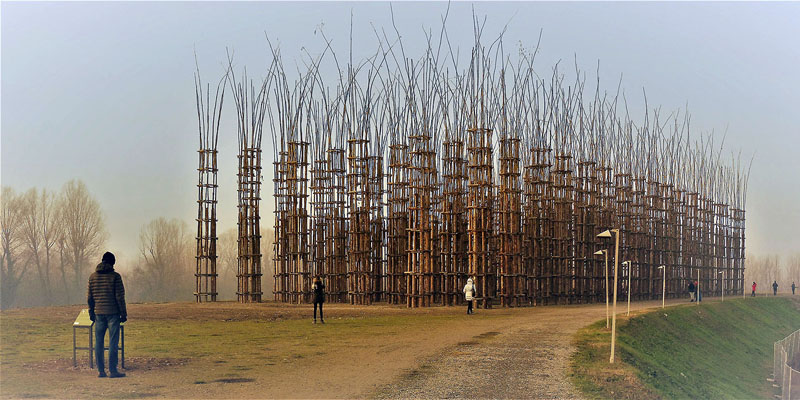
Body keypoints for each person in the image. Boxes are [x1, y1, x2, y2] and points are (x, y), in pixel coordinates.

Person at [87, 251, 127, 378]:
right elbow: (120, 297)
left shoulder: (92, 277)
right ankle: (113, 370)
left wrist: (91, 312)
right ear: (112, 263)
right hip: (113, 313)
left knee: (98, 342)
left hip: (98, 313)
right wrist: (123, 314)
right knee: (113, 342)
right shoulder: (115, 277)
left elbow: (89, 298)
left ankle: (101, 371)